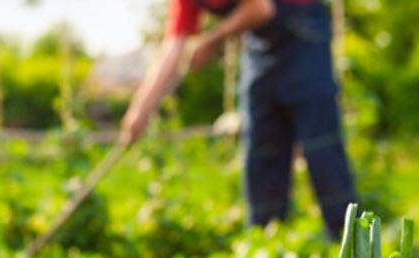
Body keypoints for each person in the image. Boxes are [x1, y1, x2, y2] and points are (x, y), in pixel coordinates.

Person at [121, 0, 358, 239]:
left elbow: (260, 9)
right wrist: (140, 110)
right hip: (260, 46)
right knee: (261, 152)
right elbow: (173, 45)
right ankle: (265, 246)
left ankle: (348, 245)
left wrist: (211, 41)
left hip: (305, 33)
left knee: (321, 150)